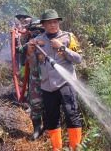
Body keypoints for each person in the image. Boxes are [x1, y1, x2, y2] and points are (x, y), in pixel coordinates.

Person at [27, 9, 82, 150]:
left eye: (55, 22)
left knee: (72, 115)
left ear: (58, 22)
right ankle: (56, 148)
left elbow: (78, 59)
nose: (53, 25)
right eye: (49, 23)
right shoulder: (38, 41)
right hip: (47, 87)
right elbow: (33, 64)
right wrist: (31, 52)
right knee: (52, 118)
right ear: (43, 25)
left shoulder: (68, 37)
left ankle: (75, 148)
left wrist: (62, 47)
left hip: (66, 84)